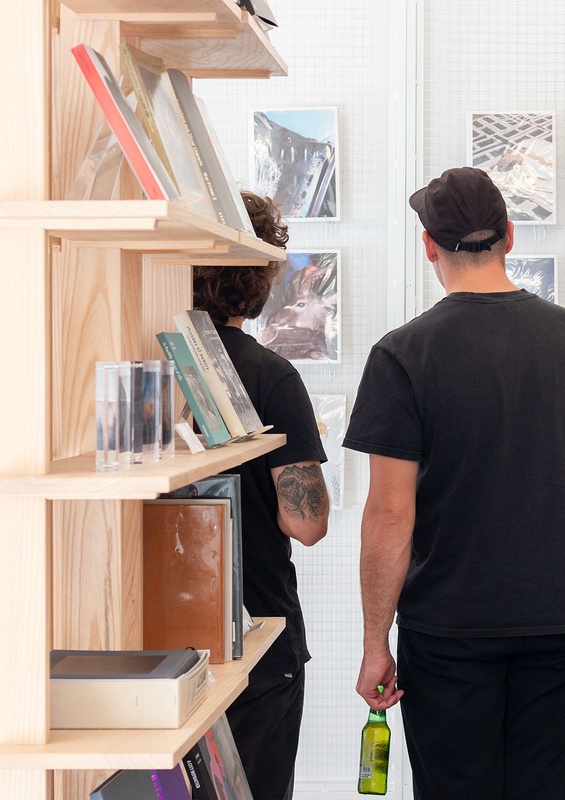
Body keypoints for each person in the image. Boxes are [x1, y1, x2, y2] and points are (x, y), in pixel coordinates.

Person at [344, 166, 565, 800]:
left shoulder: (403, 355)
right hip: (563, 620)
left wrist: (375, 641)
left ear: (429, 245)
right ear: (510, 236)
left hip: (449, 629)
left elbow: (389, 517)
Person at [193, 190, 331, 800]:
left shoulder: (140, 364)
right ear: (261, 276)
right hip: (256, 633)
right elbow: (307, 524)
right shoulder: (273, 376)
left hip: (155, 640)